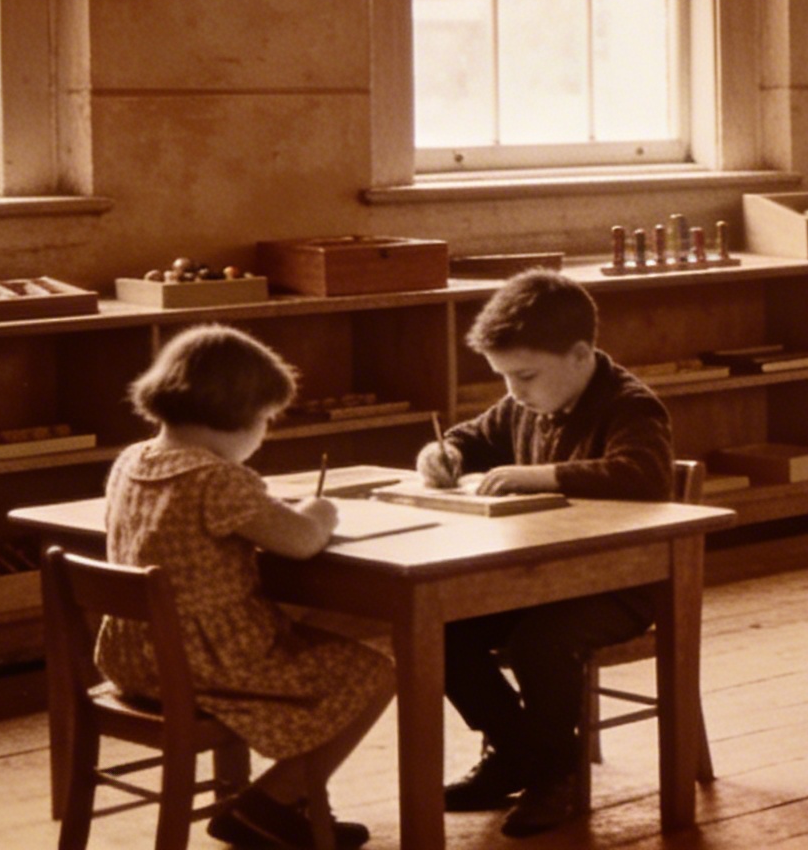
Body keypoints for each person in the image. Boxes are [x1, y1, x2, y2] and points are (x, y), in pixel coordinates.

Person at [97, 324, 393, 850]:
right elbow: (301, 541)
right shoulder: (217, 480)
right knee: (376, 671)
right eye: (265, 420)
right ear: (241, 417)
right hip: (209, 663)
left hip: (135, 658)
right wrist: (320, 512)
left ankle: (296, 807)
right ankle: (273, 802)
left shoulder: (135, 460)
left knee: (324, 637)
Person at [422, 269, 674, 838]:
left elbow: (641, 474)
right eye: (505, 376)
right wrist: (443, 455)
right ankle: (520, 753)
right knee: (441, 629)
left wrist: (537, 476)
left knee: (541, 641)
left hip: (621, 585)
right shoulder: (525, 404)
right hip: (541, 580)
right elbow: (470, 437)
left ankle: (549, 776)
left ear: (581, 354)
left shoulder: (631, 405)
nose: (514, 391)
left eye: (525, 375)